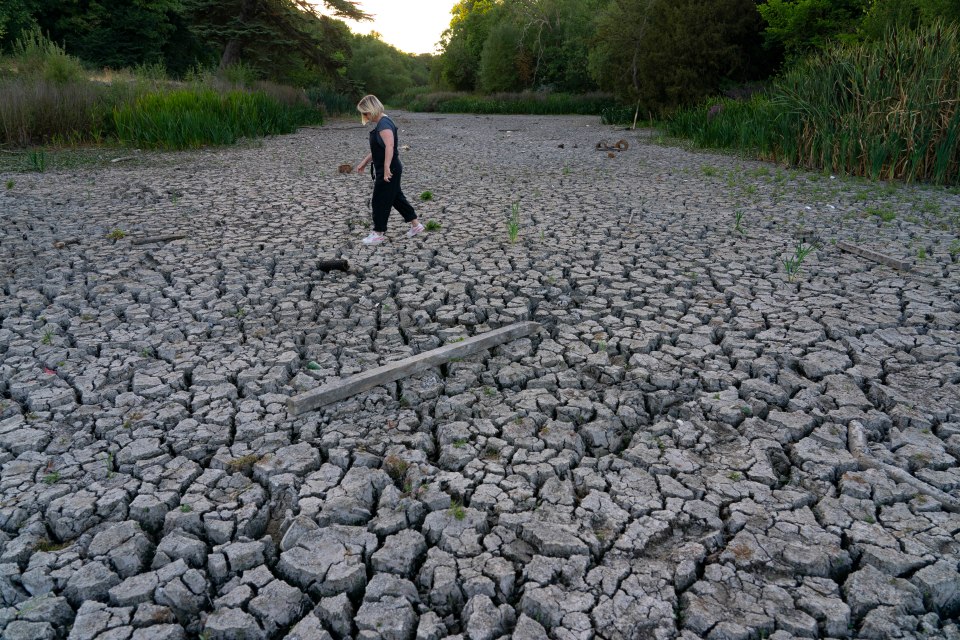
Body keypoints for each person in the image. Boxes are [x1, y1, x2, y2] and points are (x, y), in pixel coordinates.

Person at [354, 95, 424, 245]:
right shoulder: (381, 123)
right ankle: (416, 225)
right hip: (387, 167)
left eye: (365, 113)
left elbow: (390, 147)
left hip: (389, 168)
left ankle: (378, 233)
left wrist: (386, 168)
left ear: (371, 110)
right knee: (396, 198)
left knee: (379, 200)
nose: (364, 116)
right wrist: (364, 162)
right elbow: (378, 149)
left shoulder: (384, 124)